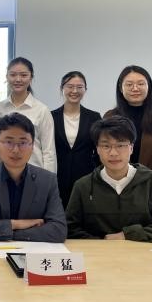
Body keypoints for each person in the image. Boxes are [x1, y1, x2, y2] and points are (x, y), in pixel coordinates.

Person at [66, 115, 152, 242]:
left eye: (120, 145)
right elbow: (69, 229)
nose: (113, 153)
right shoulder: (83, 186)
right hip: (98, 252)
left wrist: (127, 235)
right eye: (106, 146)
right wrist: (102, 243)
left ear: (131, 148)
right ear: (97, 149)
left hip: (141, 252)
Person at [0, 113, 67, 242]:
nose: (16, 150)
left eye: (23, 142)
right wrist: (15, 224)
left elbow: (59, 230)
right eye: (8, 142)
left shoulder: (47, 180)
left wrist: (10, 233)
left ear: (32, 146)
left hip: (32, 252)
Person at [104, 65, 152, 178]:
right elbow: (105, 151)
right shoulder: (110, 117)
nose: (135, 88)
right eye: (129, 84)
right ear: (121, 88)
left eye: (141, 84)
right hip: (117, 182)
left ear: (149, 87)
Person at [0, 57, 57, 173]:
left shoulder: (42, 110)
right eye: (13, 75)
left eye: (24, 75)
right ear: (7, 77)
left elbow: (49, 152)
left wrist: (48, 180)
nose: (18, 79)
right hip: (3, 174)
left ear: (31, 78)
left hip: (34, 174)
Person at [51, 71, 101, 207]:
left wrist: (97, 173)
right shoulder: (51, 117)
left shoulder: (94, 117)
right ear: (62, 88)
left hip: (86, 177)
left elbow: (99, 148)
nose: (74, 91)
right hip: (58, 177)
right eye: (70, 86)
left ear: (85, 89)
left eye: (79, 87)